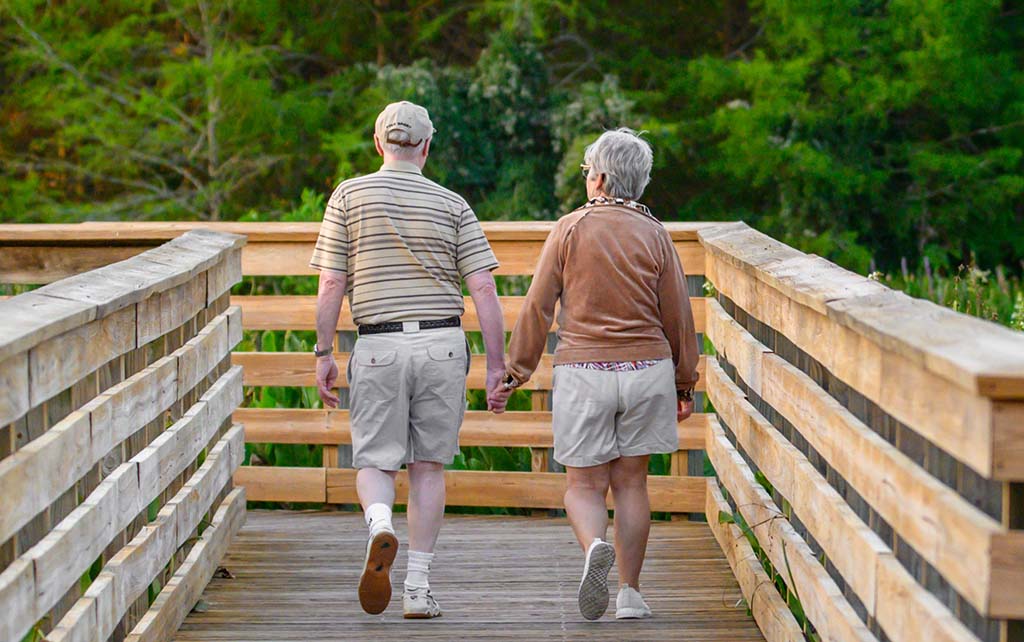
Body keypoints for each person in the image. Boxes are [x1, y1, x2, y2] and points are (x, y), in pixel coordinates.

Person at [492, 128, 700, 621]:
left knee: (584, 486)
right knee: (632, 484)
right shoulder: (656, 233)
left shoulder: (568, 228)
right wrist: (683, 382)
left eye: (588, 172)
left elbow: (539, 307)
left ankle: (593, 549)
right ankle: (630, 593)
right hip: (646, 369)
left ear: (601, 177)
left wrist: (515, 372)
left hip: (584, 370)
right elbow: (678, 314)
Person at [311, 101, 509, 619]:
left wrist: (324, 351)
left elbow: (332, 280)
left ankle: (379, 523)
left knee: (376, 459)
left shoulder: (348, 196)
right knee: (427, 468)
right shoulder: (453, 204)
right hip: (443, 346)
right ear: (426, 147)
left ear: (379, 144)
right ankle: (418, 589)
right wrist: (495, 365)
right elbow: (484, 287)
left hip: (378, 344)